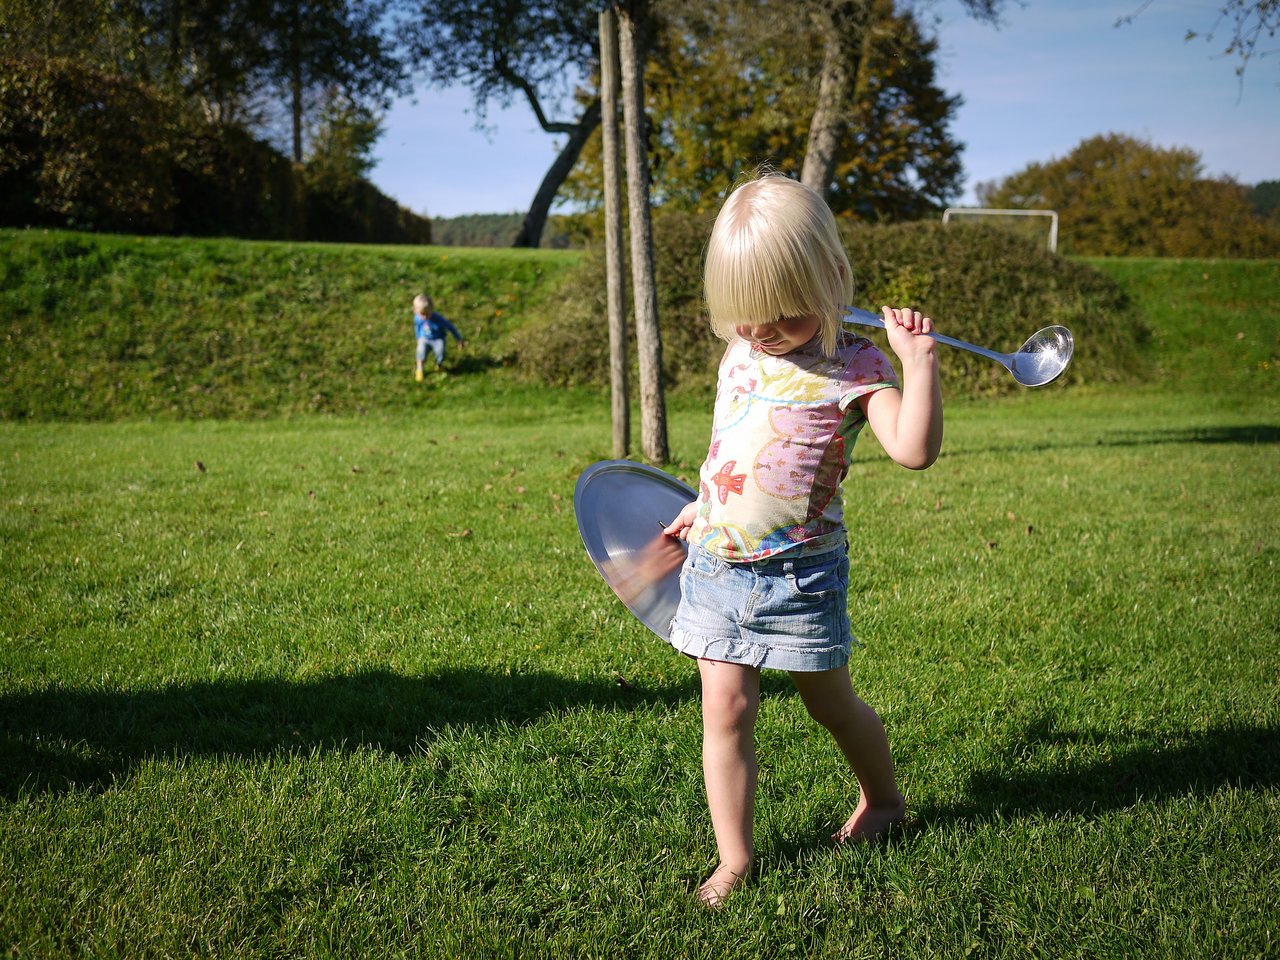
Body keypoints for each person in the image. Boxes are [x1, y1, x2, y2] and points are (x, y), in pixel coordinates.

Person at [661, 173, 944, 907]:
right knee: (724, 708)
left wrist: (919, 368)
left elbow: (913, 450)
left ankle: (882, 800)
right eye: (745, 316)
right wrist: (703, 502)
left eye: (781, 315)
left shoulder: (856, 367)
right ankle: (735, 860)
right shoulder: (740, 352)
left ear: (830, 281)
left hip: (799, 580)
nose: (761, 332)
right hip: (718, 568)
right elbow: (732, 443)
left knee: (832, 706)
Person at [412, 294, 465, 380]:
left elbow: (450, 327)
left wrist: (459, 339)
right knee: (420, 351)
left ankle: (439, 364)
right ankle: (419, 368)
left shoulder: (438, 318)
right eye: (422, 314)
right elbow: (417, 327)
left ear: (432, 309)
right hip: (424, 338)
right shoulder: (417, 318)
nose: (425, 317)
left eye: (427, 314)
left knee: (440, 352)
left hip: (438, 339)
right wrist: (418, 337)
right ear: (415, 311)